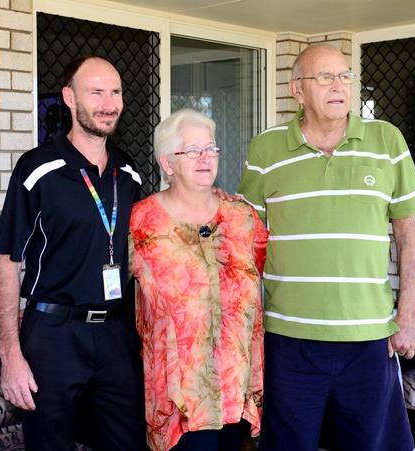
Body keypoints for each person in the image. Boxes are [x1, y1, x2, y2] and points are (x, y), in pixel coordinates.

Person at [237, 43, 415, 451]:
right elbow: (246, 239)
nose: (339, 86)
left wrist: (408, 314)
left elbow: (408, 231)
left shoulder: (386, 140)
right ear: (297, 90)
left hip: (369, 336)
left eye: (345, 76)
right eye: (325, 77)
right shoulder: (265, 150)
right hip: (289, 338)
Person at [0, 55, 146, 450]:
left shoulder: (130, 173)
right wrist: (10, 354)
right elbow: (8, 264)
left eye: (115, 92)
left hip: (116, 333)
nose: (109, 102)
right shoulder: (37, 167)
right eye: (96, 92)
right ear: (70, 98)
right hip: (54, 335)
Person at [130, 109, 267, 451]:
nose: (206, 158)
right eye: (192, 151)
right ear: (168, 163)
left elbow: (262, 273)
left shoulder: (242, 218)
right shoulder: (142, 221)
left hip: (236, 386)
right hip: (179, 398)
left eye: (211, 148)